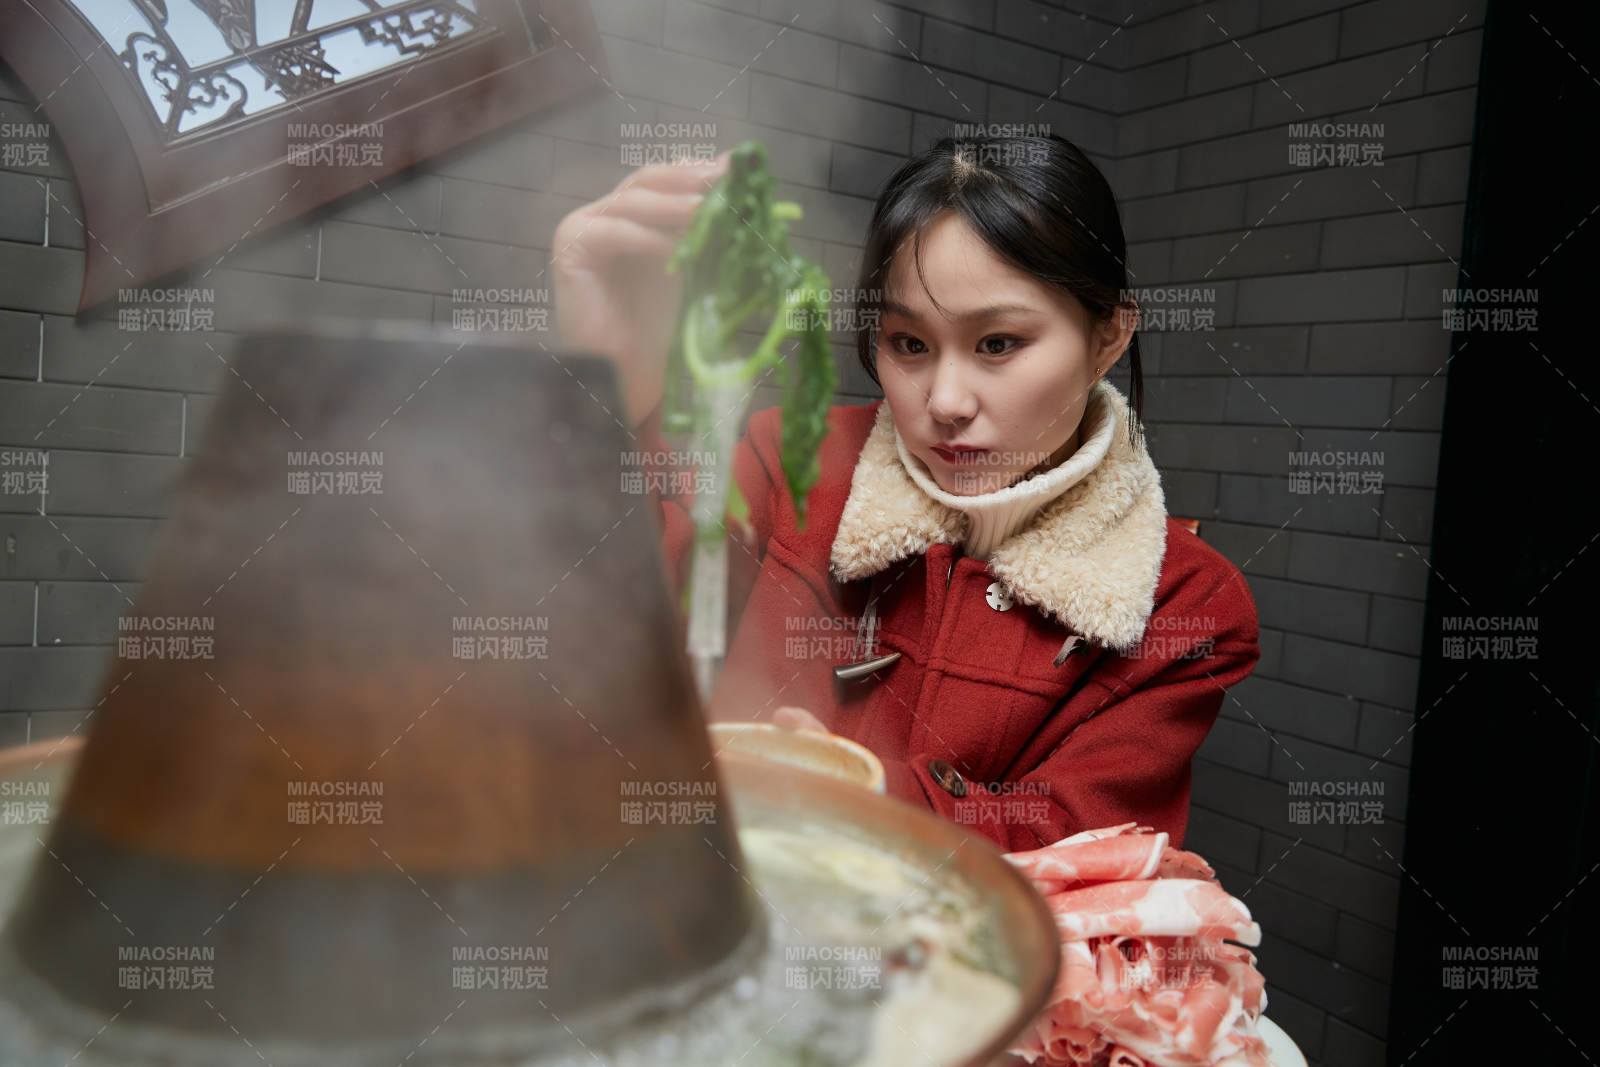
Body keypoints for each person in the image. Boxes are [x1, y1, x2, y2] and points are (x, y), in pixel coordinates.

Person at [552, 133, 1260, 852]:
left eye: (998, 343)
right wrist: (606, 382)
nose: (946, 401)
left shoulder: (1185, 604)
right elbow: (595, 625)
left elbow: (1082, 851)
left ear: (1109, 335)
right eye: (909, 344)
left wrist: (859, 790)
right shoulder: (792, 460)